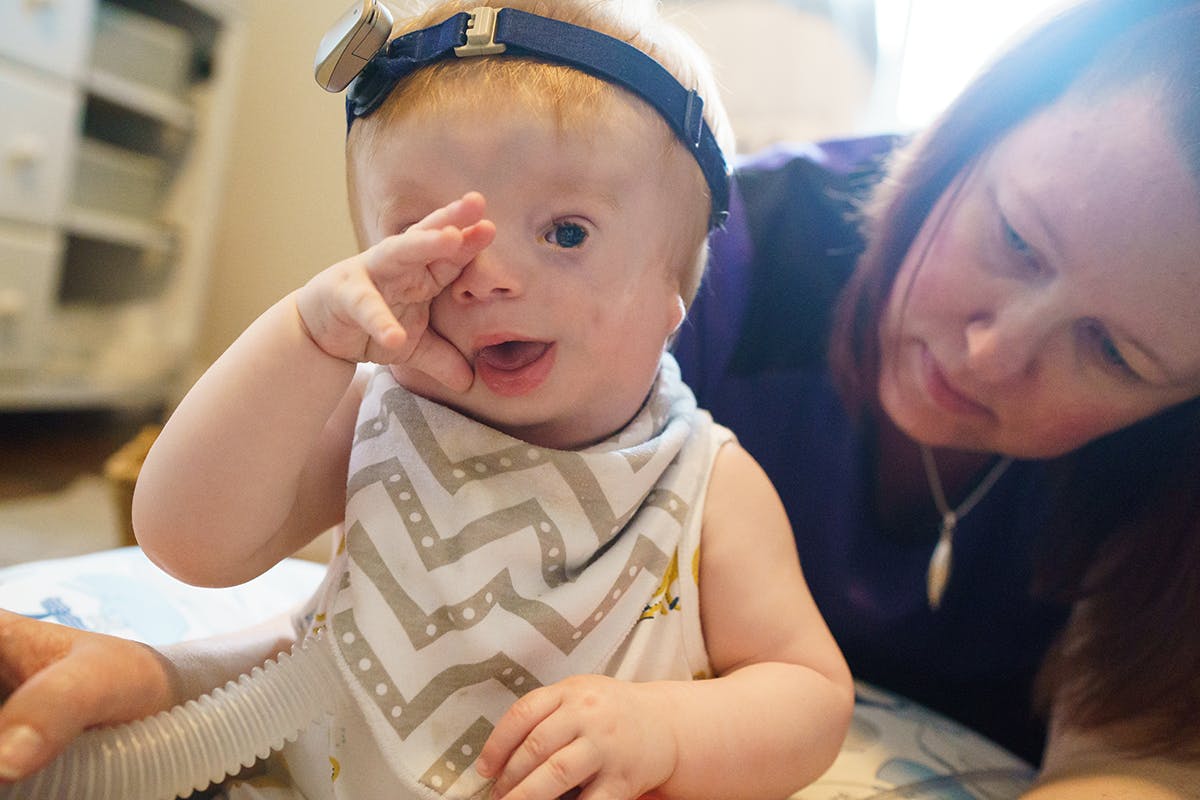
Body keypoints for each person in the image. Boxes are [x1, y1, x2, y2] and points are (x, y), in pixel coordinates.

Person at [3, 0, 1199, 797]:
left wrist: (669, 733)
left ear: (682, 287)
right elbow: (187, 537)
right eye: (429, 226)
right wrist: (298, 336)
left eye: (565, 231)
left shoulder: (703, 481)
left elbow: (807, 694)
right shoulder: (382, 410)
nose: (490, 272)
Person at [672, 0, 1200, 795]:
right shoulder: (714, 252)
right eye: (1017, 240)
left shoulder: (1167, 481)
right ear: (966, 136)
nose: (994, 354)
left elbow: (1129, 764)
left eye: (1112, 352)